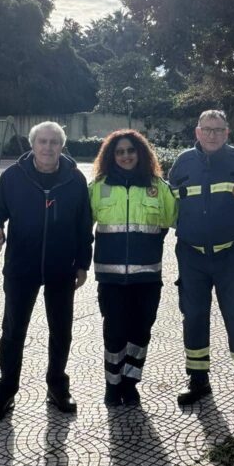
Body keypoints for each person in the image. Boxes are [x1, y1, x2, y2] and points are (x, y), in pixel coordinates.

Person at [0, 121, 92, 423]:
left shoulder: (74, 179)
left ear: (62, 146)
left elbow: (84, 225)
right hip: (21, 267)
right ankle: (5, 391)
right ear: (33, 145)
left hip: (61, 267)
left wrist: (83, 263)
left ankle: (57, 386)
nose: (47, 147)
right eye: (42, 141)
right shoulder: (13, 176)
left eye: (54, 142)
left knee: (61, 330)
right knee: (13, 331)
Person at [168, 110, 234, 410]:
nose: (212, 135)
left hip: (231, 255)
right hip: (191, 256)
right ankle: (198, 379)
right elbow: (169, 207)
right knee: (194, 317)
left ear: (227, 133)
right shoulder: (183, 163)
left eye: (218, 130)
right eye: (207, 129)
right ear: (197, 132)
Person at [89, 129, 177, 407]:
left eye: (130, 150)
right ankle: (112, 384)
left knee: (141, 332)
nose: (126, 156)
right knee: (114, 332)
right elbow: (80, 227)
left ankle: (130, 383)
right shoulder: (98, 187)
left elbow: (170, 220)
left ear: (140, 153)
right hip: (110, 279)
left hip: (147, 277)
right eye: (119, 152)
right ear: (111, 156)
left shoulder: (158, 187)